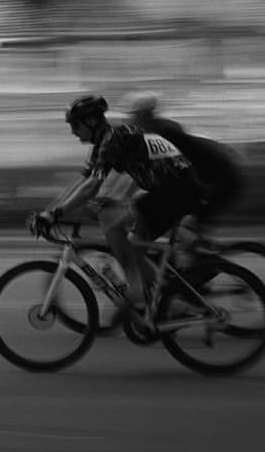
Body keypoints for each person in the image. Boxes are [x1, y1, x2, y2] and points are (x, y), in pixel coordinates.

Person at [34, 95, 204, 327]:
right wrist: (49, 211)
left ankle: (139, 297)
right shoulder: (103, 142)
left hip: (176, 189)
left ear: (92, 121)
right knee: (131, 243)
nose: (73, 132)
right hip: (167, 190)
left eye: (75, 125)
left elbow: (92, 187)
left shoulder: (114, 138)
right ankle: (169, 300)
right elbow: (81, 182)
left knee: (111, 219)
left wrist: (56, 214)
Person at [125, 92, 244, 239]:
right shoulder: (159, 129)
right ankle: (190, 251)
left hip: (221, 180)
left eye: (135, 116)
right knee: (171, 217)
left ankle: (202, 258)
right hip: (214, 174)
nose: (132, 120)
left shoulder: (161, 133)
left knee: (186, 224)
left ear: (144, 115)